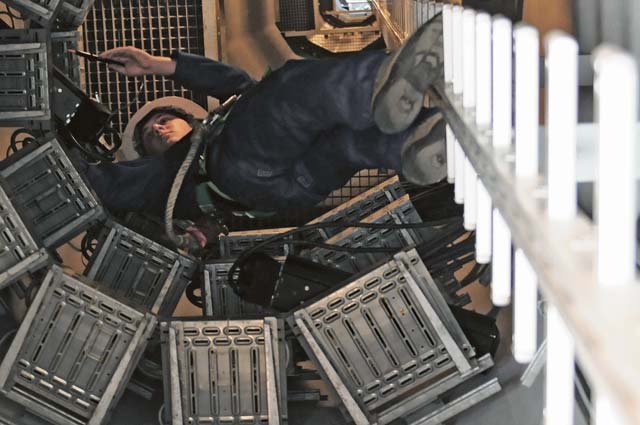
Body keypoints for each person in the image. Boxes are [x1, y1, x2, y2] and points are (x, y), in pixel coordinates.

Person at [81, 14, 446, 232]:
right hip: (236, 175)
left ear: (190, 119)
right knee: (287, 89)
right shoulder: (163, 175)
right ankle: (373, 87)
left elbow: (234, 85)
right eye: (150, 136)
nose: (156, 130)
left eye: (161, 121)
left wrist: (155, 65)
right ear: (148, 155)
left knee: (347, 143)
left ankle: (415, 146)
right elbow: (106, 185)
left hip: (298, 187)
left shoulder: (225, 121)